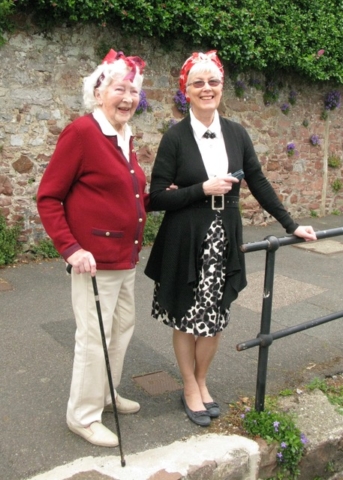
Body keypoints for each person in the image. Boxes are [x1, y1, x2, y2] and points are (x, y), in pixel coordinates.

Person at [144, 50, 317, 427]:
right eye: (198, 83)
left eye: (214, 82)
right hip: (186, 237)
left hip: (224, 236)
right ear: (185, 91)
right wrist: (200, 189)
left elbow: (258, 181)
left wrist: (291, 224)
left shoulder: (237, 133)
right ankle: (189, 386)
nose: (207, 89)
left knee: (216, 315)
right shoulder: (174, 138)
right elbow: (155, 198)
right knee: (186, 316)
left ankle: (202, 381)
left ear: (222, 87)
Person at [37, 49, 150, 447]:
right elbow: (48, 197)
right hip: (94, 262)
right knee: (94, 336)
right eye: (120, 88)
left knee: (120, 330)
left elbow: (127, 195)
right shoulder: (83, 132)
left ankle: (104, 394)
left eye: (134, 91)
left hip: (125, 258)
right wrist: (70, 248)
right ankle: (82, 416)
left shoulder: (124, 135)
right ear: (99, 91)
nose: (128, 97)